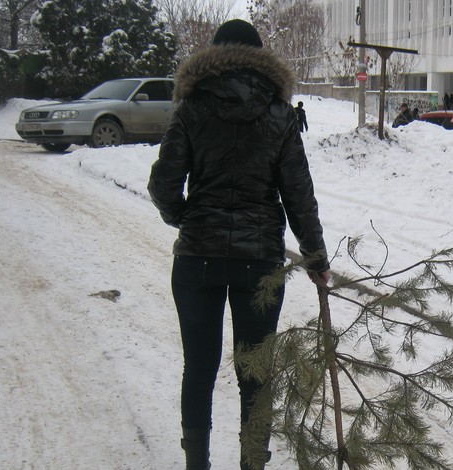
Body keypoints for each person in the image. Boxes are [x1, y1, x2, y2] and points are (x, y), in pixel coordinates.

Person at [147, 19, 331, 470]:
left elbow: (163, 183)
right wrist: (316, 258)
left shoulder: (192, 108)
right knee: (256, 372)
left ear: (214, 56)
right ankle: (253, 465)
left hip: (196, 258)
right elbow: (298, 195)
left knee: (200, 367)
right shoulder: (280, 114)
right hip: (259, 262)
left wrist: (185, 218)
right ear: (261, 59)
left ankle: (197, 465)